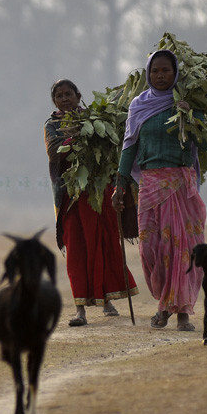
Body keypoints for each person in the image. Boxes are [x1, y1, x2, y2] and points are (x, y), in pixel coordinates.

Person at [113, 49, 206, 331]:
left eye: (166, 70)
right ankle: (166, 301)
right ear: (147, 74)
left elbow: (203, 145)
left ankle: (178, 312)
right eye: (155, 71)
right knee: (152, 249)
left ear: (175, 73)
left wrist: (190, 118)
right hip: (150, 185)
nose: (160, 76)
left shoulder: (188, 106)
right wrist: (119, 187)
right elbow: (129, 147)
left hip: (180, 184)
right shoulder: (138, 106)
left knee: (180, 248)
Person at [45, 78, 138, 327]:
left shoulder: (96, 119)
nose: (64, 99)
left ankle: (107, 299)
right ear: (54, 101)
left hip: (98, 192)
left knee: (105, 243)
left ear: (78, 95)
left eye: (68, 94)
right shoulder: (52, 125)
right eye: (59, 96)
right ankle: (80, 310)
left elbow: (112, 147)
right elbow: (55, 152)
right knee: (76, 248)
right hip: (71, 196)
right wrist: (73, 139)